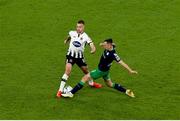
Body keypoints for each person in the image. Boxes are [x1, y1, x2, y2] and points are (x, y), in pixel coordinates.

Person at [62, 38, 138, 98]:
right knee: (110, 84)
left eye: (105, 45)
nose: (104, 46)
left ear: (109, 45)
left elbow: (121, 62)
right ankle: (126, 91)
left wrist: (130, 70)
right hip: (106, 72)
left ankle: (71, 93)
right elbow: (113, 44)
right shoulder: (110, 46)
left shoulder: (113, 54)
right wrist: (102, 44)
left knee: (85, 78)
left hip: (100, 71)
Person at [56, 20, 102, 98]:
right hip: (70, 56)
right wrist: (66, 40)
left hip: (80, 58)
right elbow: (69, 36)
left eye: (80, 27)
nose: (78, 28)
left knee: (86, 71)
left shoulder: (85, 36)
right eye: (77, 26)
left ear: (83, 27)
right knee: (67, 71)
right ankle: (60, 91)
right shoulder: (72, 32)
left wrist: (93, 49)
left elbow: (91, 44)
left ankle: (91, 83)